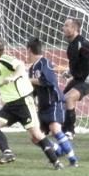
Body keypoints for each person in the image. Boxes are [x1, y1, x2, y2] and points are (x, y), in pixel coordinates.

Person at [0, 37, 63, 170]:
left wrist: (13, 77)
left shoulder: (5, 59)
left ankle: (56, 162)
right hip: (10, 105)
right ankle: (7, 153)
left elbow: (20, 65)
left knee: (36, 135)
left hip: (23, 103)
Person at [27, 37, 78, 167]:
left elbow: (49, 81)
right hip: (42, 106)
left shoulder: (45, 63)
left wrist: (29, 80)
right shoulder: (32, 69)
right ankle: (58, 151)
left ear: (29, 50)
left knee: (55, 129)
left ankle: (73, 160)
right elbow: (34, 88)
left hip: (54, 102)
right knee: (35, 137)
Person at [62, 17, 89, 139]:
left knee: (69, 98)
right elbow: (78, 62)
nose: (63, 28)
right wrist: (69, 72)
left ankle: (70, 131)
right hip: (78, 79)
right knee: (61, 99)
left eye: (66, 26)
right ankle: (62, 128)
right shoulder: (71, 45)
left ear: (74, 28)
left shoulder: (82, 43)